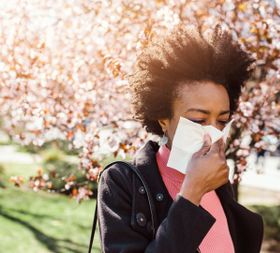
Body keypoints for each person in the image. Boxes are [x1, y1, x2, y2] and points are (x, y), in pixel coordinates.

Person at [96, 26, 263, 253]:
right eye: (198, 120)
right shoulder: (122, 182)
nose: (212, 133)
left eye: (222, 121)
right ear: (163, 118)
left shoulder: (219, 182)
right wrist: (192, 193)